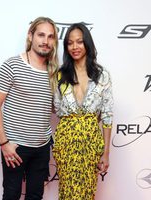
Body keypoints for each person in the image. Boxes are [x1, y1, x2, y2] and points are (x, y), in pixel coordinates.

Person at [0, 16, 59, 200]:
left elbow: (51, 108)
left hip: (42, 147)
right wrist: (4, 143)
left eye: (50, 37)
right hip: (16, 147)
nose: (45, 41)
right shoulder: (12, 65)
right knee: (11, 195)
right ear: (30, 36)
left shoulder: (53, 71)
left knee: (36, 196)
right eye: (41, 35)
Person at [52, 23, 113, 200]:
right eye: (70, 43)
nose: (75, 47)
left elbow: (107, 114)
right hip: (66, 142)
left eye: (79, 41)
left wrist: (106, 153)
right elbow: (57, 107)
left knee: (87, 192)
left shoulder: (102, 75)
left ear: (87, 43)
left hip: (91, 141)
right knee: (67, 191)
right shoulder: (60, 75)